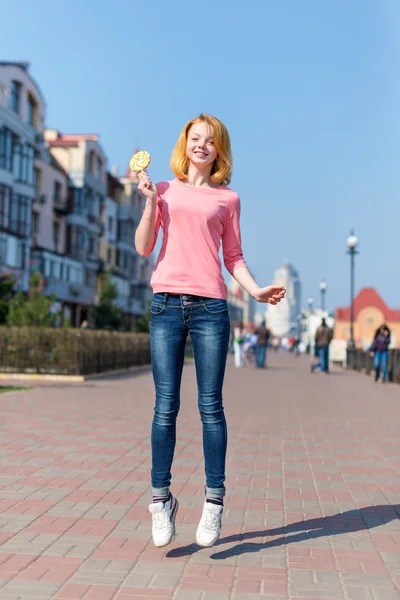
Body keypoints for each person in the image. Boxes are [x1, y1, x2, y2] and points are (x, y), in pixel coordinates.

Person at [134, 113, 286, 549]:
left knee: (209, 407)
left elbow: (233, 256)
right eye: (194, 138)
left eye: (210, 140)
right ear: (185, 144)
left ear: (219, 150)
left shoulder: (228, 200)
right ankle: (160, 502)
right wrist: (148, 203)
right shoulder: (162, 189)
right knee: (165, 407)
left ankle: (214, 502)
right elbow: (144, 247)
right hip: (165, 305)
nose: (201, 145)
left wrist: (255, 291)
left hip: (210, 310)